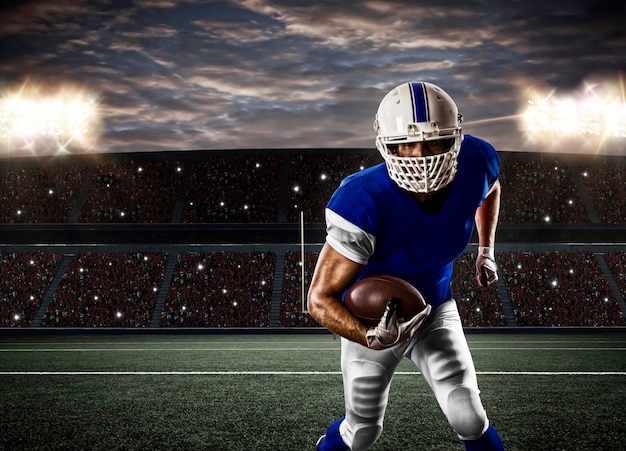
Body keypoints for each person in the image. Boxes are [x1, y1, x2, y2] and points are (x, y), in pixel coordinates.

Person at [308, 81, 505, 451]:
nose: (420, 156)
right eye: (407, 144)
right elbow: (318, 299)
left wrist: (486, 249)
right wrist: (368, 335)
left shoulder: (477, 160)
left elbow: (490, 188)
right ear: (386, 144)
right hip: (373, 320)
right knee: (362, 432)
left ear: (456, 140)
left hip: (434, 307)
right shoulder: (361, 200)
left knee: (469, 414)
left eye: (434, 141)